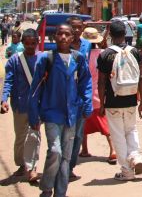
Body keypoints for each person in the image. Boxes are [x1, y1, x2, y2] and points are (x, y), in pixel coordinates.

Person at [28, 23, 92, 197]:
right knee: (55, 151)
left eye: (67, 34)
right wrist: (33, 115)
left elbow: (86, 83)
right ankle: (47, 187)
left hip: (71, 114)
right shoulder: (46, 59)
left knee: (66, 157)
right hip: (51, 112)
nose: (63, 37)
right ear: (54, 37)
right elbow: (35, 89)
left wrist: (87, 104)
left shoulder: (78, 59)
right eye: (60, 34)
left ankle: (61, 192)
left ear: (72, 38)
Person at [98, 20, 142, 181]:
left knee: (118, 134)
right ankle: (135, 156)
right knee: (131, 130)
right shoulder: (135, 52)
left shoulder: (105, 54)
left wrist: (102, 103)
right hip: (132, 99)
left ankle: (126, 171)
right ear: (125, 34)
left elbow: (102, 82)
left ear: (110, 35)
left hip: (113, 102)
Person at [1, 29, 42, 183]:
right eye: (27, 43)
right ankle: (21, 164)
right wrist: (4, 99)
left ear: (37, 43)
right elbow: (8, 82)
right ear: (22, 43)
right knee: (20, 137)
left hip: (36, 106)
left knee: (35, 136)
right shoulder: (14, 60)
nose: (30, 46)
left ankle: (32, 168)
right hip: (19, 105)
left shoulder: (43, 58)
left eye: (33, 43)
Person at [78, 27, 116, 165]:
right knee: (105, 124)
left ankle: (85, 149)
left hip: (85, 94)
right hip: (101, 95)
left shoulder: (81, 56)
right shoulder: (103, 54)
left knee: (83, 124)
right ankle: (112, 150)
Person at [67, 15, 92, 180]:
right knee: (64, 135)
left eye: (78, 27)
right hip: (64, 97)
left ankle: (69, 168)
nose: (76, 30)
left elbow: (88, 73)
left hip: (81, 97)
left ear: (82, 28)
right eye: (73, 27)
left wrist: (88, 100)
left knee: (77, 135)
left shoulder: (87, 45)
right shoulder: (62, 46)